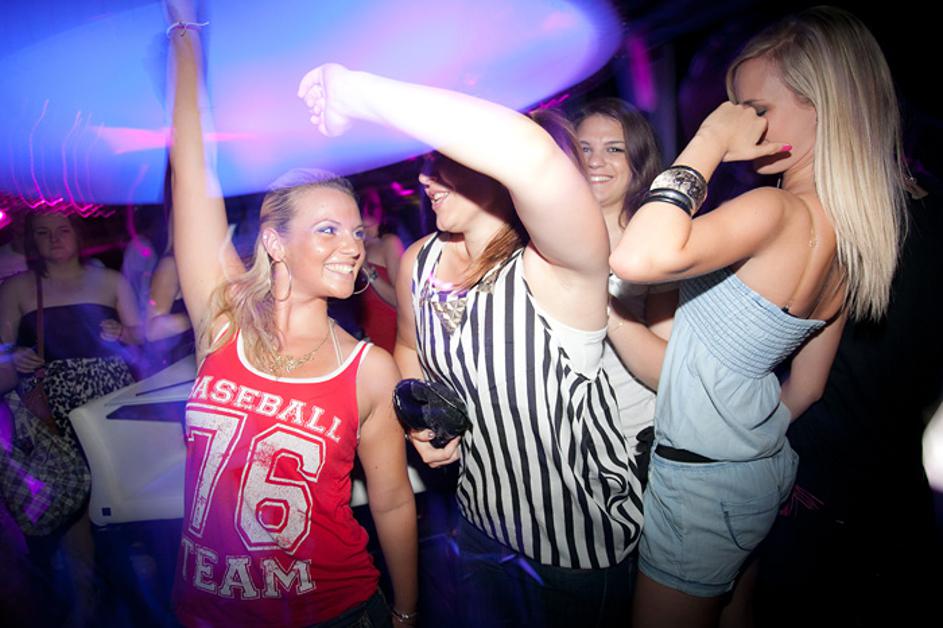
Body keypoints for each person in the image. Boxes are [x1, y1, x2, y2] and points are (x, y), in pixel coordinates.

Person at [298, 63, 644, 626]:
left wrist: (355, 91)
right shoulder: (420, 261)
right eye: (426, 163)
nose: (425, 178)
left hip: (578, 546)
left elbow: (532, 158)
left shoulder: (560, 264)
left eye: (445, 161)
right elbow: (409, 352)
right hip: (480, 527)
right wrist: (419, 420)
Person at [609, 6, 908, 627]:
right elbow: (807, 387)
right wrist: (737, 439)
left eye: (756, 109)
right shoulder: (851, 236)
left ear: (824, 105)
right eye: (736, 111)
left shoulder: (774, 212)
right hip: (759, 473)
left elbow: (637, 258)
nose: (744, 124)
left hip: (701, 488)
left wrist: (711, 139)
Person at [168, 14, 417, 628]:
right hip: (207, 612)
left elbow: (390, 501)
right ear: (275, 243)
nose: (352, 246)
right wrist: (185, 36)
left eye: (355, 231)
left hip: (334, 612)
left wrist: (408, 613)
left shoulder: (368, 369)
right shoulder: (224, 321)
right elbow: (193, 173)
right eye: (328, 230)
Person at [0, 210, 142, 625]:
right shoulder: (18, 287)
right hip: (53, 409)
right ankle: (85, 596)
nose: (55, 238)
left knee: (116, 497)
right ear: (32, 242)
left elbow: (142, 342)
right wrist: (13, 357)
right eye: (43, 232)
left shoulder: (110, 281)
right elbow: (1, 357)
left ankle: (128, 589)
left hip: (110, 401)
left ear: (78, 234)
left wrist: (123, 333)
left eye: (63, 229)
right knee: (74, 500)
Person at [573, 98, 675, 482]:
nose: (595, 161)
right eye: (584, 149)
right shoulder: (536, 240)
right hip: (557, 450)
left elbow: (665, 373)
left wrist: (600, 297)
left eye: (614, 149)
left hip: (629, 447)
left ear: (638, 161)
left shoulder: (658, 247)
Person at [356, 186, 404, 353]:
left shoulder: (389, 243)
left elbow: (401, 301)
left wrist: (368, 270)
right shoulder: (353, 246)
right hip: (366, 336)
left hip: (391, 333)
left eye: (373, 208)